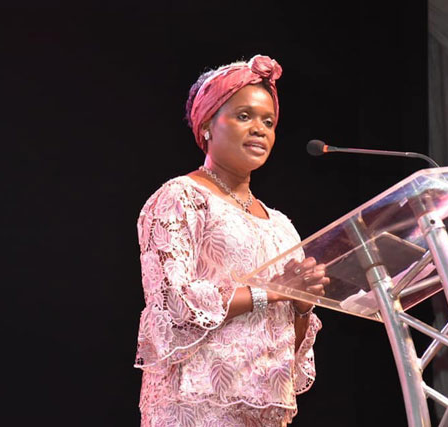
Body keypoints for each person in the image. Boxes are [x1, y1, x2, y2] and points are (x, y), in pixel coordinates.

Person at [134, 54, 329, 426]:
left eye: (268, 122)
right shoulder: (182, 197)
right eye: (244, 116)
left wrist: (302, 306)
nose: (259, 129)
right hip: (195, 408)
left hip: (262, 412)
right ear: (208, 124)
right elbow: (173, 303)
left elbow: (288, 345)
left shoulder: (282, 226)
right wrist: (272, 290)